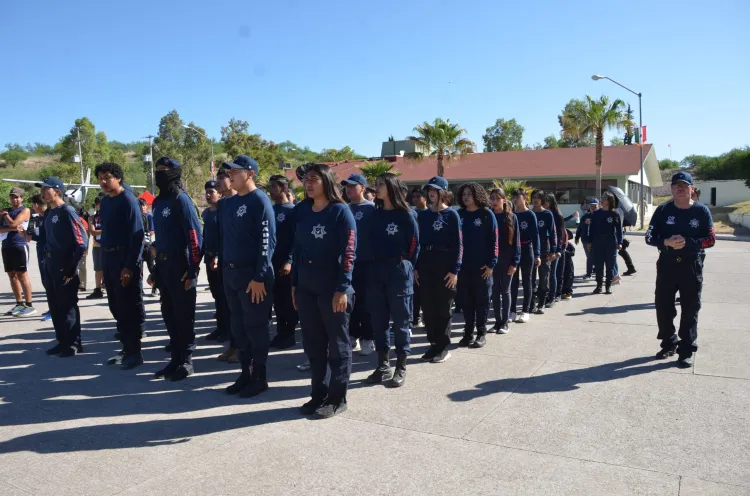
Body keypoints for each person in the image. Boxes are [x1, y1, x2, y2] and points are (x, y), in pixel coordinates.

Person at [292, 163, 356, 418]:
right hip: (307, 286)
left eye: (314, 179)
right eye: (306, 179)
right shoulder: (302, 211)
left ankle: (337, 398)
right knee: (313, 344)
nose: (308, 183)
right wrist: (295, 285)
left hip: (333, 288)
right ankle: (317, 394)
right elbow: (297, 251)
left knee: (338, 346)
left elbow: (349, 253)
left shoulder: (340, 212)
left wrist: (342, 288)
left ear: (327, 182)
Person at [220, 155, 276, 399]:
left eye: (235, 171)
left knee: (255, 327)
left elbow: (267, 242)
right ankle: (245, 372)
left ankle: (259, 377)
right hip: (231, 274)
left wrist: (260, 276)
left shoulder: (259, 201)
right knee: (239, 327)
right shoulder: (230, 203)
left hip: (253, 277)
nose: (230, 175)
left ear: (250, 173)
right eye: (229, 171)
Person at [646, 171, 714, 368]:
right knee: (663, 306)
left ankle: (686, 350)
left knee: (690, 309)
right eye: (676, 186)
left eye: (685, 186)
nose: (680, 189)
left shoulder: (701, 211)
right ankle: (668, 343)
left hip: (691, 265)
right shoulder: (663, 211)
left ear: (692, 189)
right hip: (667, 264)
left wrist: (688, 243)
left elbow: (710, 239)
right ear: (672, 189)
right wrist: (666, 241)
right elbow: (649, 237)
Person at [150, 157, 203, 381]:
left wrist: (192, 269)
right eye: (158, 170)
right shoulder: (157, 201)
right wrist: (154, 269)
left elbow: (194, 236)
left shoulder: (182, 200)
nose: (160, 173)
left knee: (183, 315)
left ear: (175, 173)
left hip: (180, 264)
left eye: (165, 170)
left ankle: (186, 361)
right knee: (169, 313)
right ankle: (175, 358)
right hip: (163, 265)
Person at [366, 173, 419, 387]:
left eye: (380, 185)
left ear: (391, 187)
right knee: (379, 321)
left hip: (398, 271)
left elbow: (415, 244)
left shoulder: (407, 214)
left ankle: (401, 366)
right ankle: (382, 365)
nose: (376, 188)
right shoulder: (375, 214)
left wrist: (406, 266)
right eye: (376, 184)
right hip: (376, 271)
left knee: (401, 321)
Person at [96, 162, 146, 369]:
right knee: (116, 306)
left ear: (118, 177)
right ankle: (126, 348)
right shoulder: (107, 202)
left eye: (107, 177)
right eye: (100, 178)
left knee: (129, 307)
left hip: (124, 260)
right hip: (109, 259)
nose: (103, 182)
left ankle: (135, 353)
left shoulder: (128, 200)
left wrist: (130, 266)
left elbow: (137, 236)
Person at [35, 177, 87, 356]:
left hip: (64, 265)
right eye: (41, 189)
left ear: (57, 191)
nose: (42, 193)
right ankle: (62, 340)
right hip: (50, 264)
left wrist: (72, 266)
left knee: (68, 305)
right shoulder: (49, 213)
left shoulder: (67, 211)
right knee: (55, 305)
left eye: (45, 189)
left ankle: (74, 343)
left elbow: (81, 242)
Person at [416, 176, 462, 363]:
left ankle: (443, 347)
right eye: (429, 190)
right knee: (428, 307)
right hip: (426, 263)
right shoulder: (423, 215)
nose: (431, 192)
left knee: (443, 308)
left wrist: (455, 270)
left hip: (445, 264)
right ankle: (433, 344)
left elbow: (459, 245)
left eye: (435, 189)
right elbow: (417, 242)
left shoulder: (452, 215)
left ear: (444, 192)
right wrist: (416, 267)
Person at [456, 182, 498, 348]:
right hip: (464, 267)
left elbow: (494, 241)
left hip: (483, 268)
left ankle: (481, 333)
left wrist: (491, 264)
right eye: (464, 194)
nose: (466, 197)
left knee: (482, 301)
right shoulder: (459, 215)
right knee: (466, 302)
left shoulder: (487, 214)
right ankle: (468, 333)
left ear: (477, 195)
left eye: (469, 194)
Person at [342, 173, 376, 356]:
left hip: (368, 264)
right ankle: (352, 335)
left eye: (352, 186)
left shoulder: (372, 209)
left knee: (367, 303)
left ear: (363, 188)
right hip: (349, 264)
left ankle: (368, 338)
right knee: (350, 303)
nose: (348, 189)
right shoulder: (344, 208)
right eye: (346, 186)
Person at [202, 180, 233, 351]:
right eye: (206, 192)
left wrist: (219, 256)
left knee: (224, 296)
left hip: (222, 259)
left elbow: (226, 236)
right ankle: (220, 327)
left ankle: (227, 330)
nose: (208, 195)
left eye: (212, 192)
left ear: (220, 194)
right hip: (209, 258)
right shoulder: (206, 213)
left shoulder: (224, 211)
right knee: (216, 295)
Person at [268, 174, 298, 350]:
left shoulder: (292, 211)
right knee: (277, 301)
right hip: (272, 261)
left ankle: (290, 334)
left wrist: (289, 261)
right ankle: (281, 333)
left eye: (274, 187)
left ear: (284, 188)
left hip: (286, 263)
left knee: (288, 301)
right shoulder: (271, 209)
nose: (270, 190)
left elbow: (296, 239)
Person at [212, 167, 238, 361]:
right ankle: (233, 346)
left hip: (241, 265)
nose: (219, 182)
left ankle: (240, 350)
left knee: (241, 312)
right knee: (230, 309)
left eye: (222, 178)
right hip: (226, 260)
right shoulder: (222, 204)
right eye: (218, 177)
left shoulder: (242, 201)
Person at [1, 187, 35, 317]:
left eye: (17, 197)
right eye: (12, 197)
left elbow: (14, 224)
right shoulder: (7, 211)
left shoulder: (25, 210)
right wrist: (11, 229)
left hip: (19, 245)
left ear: (22, 198)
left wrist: (5, 216)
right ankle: (19, 303)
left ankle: (29, 304)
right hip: (6, 245)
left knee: (22, 275)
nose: (15, 199)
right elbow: (4, 229)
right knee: (12, 275)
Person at [489, 189, 520, 334]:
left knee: (505, 290)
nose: (494, 201)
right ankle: (497, 321)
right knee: (494, 291)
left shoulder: (512, 217)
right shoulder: (488, 216)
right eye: (492, 198)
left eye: (497, 198)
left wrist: (514, 263)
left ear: (503, 200)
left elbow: (517, 243)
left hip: (507, 260)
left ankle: (505, 322)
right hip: (492, 261)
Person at [509, 189, 539, 324]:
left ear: (525, 197)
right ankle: (512, 311)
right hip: (514, 251)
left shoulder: (530, 214)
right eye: (513, 197)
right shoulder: (511, 214)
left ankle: (526, 311)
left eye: (518, 196)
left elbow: (535, 235)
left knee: (527, 281)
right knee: (513, 282)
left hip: (527, 249)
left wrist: (538, 254)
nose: (515, 199)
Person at [588, 191, 623, 295]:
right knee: (598, 265)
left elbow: (619, 230)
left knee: (610, 265)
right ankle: (599, 286)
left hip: (610, 242)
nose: (602, 199)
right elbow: (592, 228)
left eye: (604, 198)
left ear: (609, 200)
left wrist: (620, 242)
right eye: (602, 197)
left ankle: (608, 286)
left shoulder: (614, 213)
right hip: (597, 241)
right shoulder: (596, 213)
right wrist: (590, 241)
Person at [531, 190, 557, 314]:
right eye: (533, 197)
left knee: (543, 279)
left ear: (542, 199)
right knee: (530, 279)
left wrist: (553, 250)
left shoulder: (547, 214)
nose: (535, 200)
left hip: (544, 251)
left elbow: (553, 233)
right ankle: (530, 304)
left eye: (538, 198)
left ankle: (541, 303)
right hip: (530, 251)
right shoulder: (528, 213)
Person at [26, 194, 52, 320]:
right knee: (45, 281)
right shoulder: (40, 218)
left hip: (48, 254)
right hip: (41, 251)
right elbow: (39, 237)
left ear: (36, 205)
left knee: (49, 282)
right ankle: (52, 308)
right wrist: (25, 234)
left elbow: (46, 237)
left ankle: (55, 310)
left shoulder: (48, 217)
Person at [544, 193, 566, 306]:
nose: (545, 203)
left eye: (547, 201)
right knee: (546, 274)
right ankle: (546, 295)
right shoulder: (544, 213)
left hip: (555, 248)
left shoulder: (557, 215)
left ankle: (553, 296)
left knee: (553, 273)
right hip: (545, 248)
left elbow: (560, 234)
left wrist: (558, 250)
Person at [410, 187, 428, 327]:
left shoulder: (429, 213)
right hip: (415, 254)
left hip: (428, 255)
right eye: (413, 196)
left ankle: (427, 317)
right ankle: (415, 317)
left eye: (418, 196)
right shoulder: (412, 213)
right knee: (415, 288)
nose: (415, 199)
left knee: (425, 289)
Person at [85, 195, 106, 299]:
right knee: (98, 269)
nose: (99, 206)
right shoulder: (93, 218)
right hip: (97, 245)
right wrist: (105, 230)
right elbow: (92, 231)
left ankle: (107, 286)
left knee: (109, 268)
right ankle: (98, 289)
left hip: (108, 246)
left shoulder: (109, 216)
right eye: (98, 204)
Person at [575, 199, 598, 279]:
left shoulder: (600, 216)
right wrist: (577, 237)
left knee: (596, 257)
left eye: (595, 206)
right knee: (589, 257)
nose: (593, 207)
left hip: (597, 240)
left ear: (598, 206)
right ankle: (589, 273)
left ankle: (595, 270)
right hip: (585, 239)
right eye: (592, 206)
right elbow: (580, 228)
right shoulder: (585, 217)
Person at [139, 198, 157, 297]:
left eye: (144, 205)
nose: (142, 208)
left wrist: (144, 234)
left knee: (151, 267)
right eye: (140, 206)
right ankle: (140, 289)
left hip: (148, 245)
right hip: (139, 246)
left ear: (146, 206)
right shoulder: (137, 217)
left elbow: (152, 231)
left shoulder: (149, 216)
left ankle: (155, 287)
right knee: (139, 268)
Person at [561, 229, 576, 299]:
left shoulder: (569, 245)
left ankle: (568, 292)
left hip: (568, 263)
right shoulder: (560, 244)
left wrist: (565, 252)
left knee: (569, 277)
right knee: (562, 277)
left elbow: (573, 253)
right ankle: (561, 291)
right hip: (561, 263)